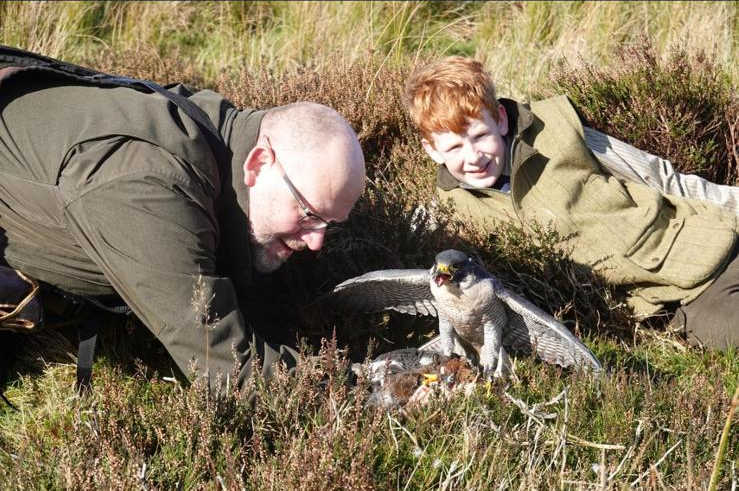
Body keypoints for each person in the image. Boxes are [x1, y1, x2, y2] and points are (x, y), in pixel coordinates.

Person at [0, 46, 366, 390]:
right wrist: (373, 389)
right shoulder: (151, 189)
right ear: (259, 162)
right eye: (308, 213)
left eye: (329, 225)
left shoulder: (217, 133)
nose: (317, 242)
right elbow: (229, 368)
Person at [404, 56, 738, 349]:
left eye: (480, 136)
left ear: (501, 119)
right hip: (668, 302)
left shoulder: (556, 128)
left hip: (709, 240)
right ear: (431, 150)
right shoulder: (447, 212)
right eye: (453, 148)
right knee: (727, 333)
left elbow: (659, 176)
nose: (473, 156)